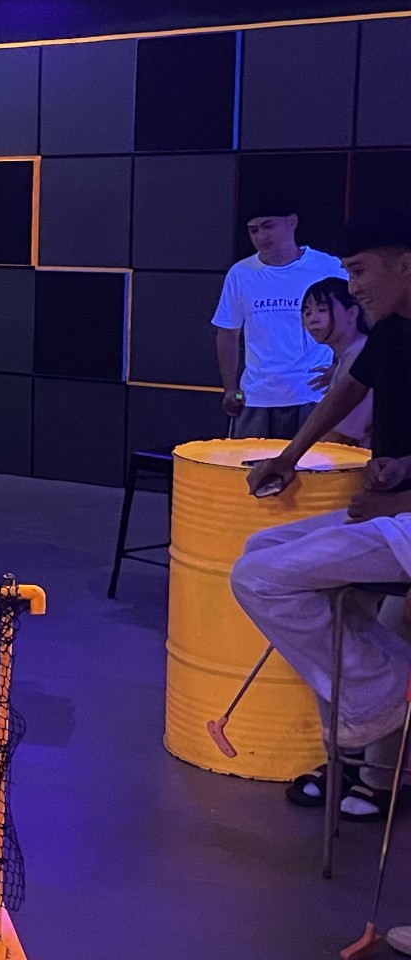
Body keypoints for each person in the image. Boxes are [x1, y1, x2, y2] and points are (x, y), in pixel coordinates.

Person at [234, 213, 411, 823]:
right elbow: (348, 393)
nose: (353, 288)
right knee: (261, 552)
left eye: (359, 272)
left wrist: (397, 500)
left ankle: (381, 704)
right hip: (388, 508)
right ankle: (359, 735)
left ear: (404, 263)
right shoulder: (391, 331)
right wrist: (288, 457)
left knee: (260, 579)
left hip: (401, 517)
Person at [213, 195, 344, 439]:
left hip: (313, 394)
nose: (261, 236)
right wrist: (231, 389)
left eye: (268, 226)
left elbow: (354, 322)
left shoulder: (328, 267)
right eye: (253, 230)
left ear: (292, 222)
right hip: (256, 396)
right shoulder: (241, 273)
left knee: (313, 461)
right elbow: (227, 332)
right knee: (250, 462)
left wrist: (340, 367)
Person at [299, 277, 371, 448]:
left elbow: (343, 435)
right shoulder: (349, 355)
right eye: (307, 313)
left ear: (352, 313)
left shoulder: (361, 353)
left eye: (322, 310)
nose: (313, 319)